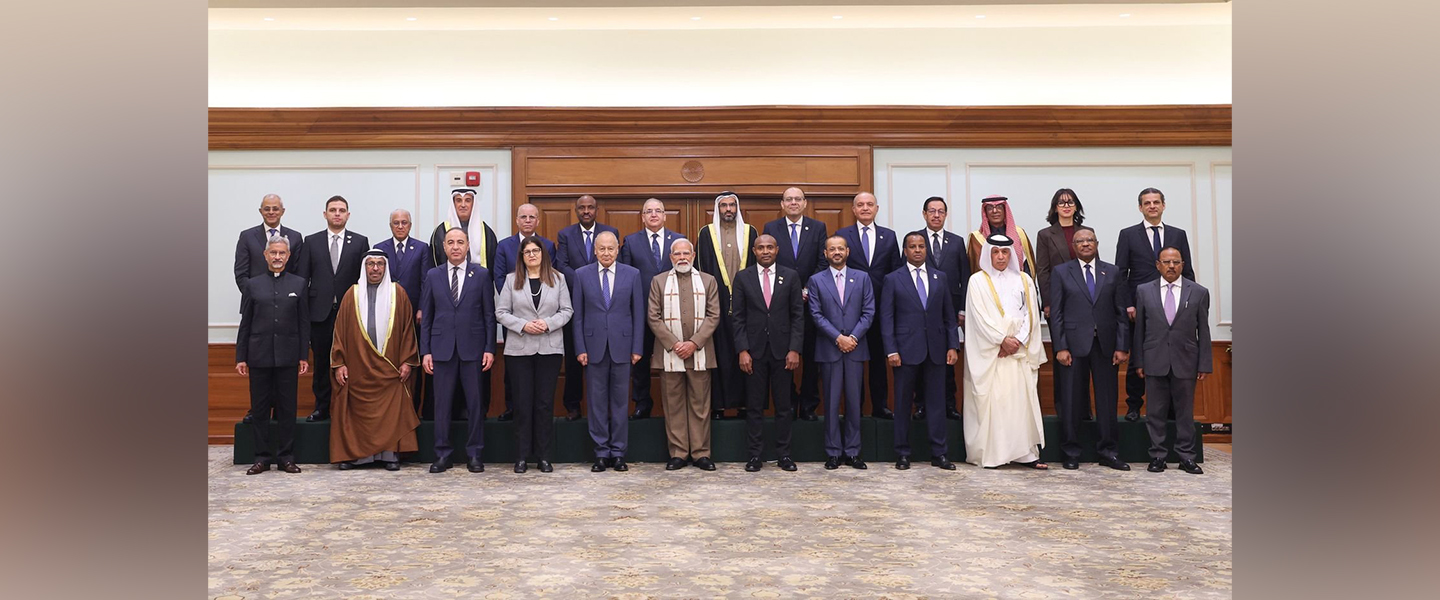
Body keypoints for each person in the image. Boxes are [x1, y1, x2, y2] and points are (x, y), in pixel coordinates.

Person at [329, 250, 421, 471]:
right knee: (357, 411)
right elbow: (339, 332)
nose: (375, 268)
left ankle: (389, 455)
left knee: (391, 409)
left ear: (386, 267)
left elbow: (408, 329)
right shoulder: (351, 294)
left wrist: (408, 361)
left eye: (380, 264)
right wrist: (339, 363)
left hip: (390, 368)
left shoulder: (397, 293)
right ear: (364, 267)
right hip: (358, 367)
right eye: (371, 264)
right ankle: (359, 457)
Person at [962, 234, 1047, 470]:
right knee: (996, 403)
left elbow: (1031, 313)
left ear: (1012, 254)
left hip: (1017, 353)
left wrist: (1017, 341)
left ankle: (1025, 454)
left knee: (1020, 402)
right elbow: (979, 317)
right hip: (993, 354)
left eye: (1005, 252)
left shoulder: (1024, 280)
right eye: (996, 252)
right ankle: (994, 454)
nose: (1001, 257)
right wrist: (1001, 340)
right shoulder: (977, 281)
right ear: (988, 254)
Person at [1048, 229, 1131, 471]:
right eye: (1080, 241)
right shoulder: (1061, 272)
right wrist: (1060, 347)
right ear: (1073, 246)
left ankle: (1108, 451)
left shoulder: (1112, 271)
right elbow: (1057, 315)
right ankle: (1071, 452)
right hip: (1072, 347)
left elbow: (1121, 313)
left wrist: (1122, 345)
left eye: (1089, 240)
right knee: (1071, 400)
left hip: (1105, 346)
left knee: (1107, 401)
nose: (1085, 244)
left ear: (1097, 243)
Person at [1115, 187, 1196, 422]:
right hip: (1139, 307)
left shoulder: (1178, 234)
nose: (1152, 206)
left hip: (1172, 306)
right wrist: (1127, 305)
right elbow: (1121, 273)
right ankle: (1133, 406)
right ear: (1140, 207)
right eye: (1147, 203)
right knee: (1138, 358)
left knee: (1170, 357)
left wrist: (1187, 304)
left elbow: (1187, 270)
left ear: (1163, 205)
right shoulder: (1128, 234)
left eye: (1156, 202)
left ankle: (1170, 409)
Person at [419, 228, 496, 474]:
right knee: (442, 405)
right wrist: (426, 351)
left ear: (467, 246)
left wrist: (489, 348)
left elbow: (488, 316)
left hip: (473, 350)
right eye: (450, 242)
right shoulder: (433, 275)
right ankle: (442, 454)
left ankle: (475, 454)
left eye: (460, 242)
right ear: (444, 247)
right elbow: (427, 317)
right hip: (441, 351)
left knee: (475, 404)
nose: (455, 247)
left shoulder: (482, 274)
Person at [881, 232, 960, 470]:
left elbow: (949, 316)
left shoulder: (940, 277)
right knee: (903, 404)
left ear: (926, 249)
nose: (917, 250)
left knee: (936, 403)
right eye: (912, 247)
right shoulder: (893, 279)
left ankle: (940, 453)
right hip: (904, 351)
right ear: (905, 251)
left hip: (936, 350)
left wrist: (952, 345)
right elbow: (886, 318)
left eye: (921, 246)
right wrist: (891, 350)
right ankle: (902, 453)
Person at [496, 236, 574, 474]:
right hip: (519, 350)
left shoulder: (558, 279)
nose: (531, 254)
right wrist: (523, 325)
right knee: (522, 404)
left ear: (543, 253)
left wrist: (548, 323)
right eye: (527, 251)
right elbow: (501, 312)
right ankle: (521, 457)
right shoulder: (511, 280)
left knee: (543, 404)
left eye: (535, 250)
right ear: (521, 256)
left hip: (549, 348)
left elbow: (567, 310)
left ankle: (543, 457)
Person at [1132, 247, 1211, 475]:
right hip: (1154, 359)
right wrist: (1139, 361)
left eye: (1176, 262)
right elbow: (1140, 331)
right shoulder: (1144, 291)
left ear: (1182, 265)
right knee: (1155, 412)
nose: (1171, 266)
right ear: (1158, 265)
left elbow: (1203, 330)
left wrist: (1204, 363)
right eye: (1166, 262)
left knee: (1185, 413)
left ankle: (1187, 457)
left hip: (1186, 360)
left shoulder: (1198, 292)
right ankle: (1158, 456)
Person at [730, 234, 804, 472]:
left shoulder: (791, 276)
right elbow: (738, 318)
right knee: (753, 406)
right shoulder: (743, 277)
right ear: (754, 250)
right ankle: (754, 456)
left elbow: (797, 317)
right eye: (760, 247)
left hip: (784, 352)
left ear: (777, 249)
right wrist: (742, 350)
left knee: (783, 406)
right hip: (754, 352)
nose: (765, 251)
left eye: (769, 247)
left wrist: (794, 349)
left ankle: (784, 455)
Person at [235, 237, 309, 475]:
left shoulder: (299, 284)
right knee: (259, 408)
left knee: (288, 409)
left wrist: (303, 356)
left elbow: (303, 323)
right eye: (273, 253)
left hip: (288, 356)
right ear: (265, 255)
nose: (277, 257)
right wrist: (241, 357)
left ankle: (286, 457)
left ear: (288, 257)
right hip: (259, 355)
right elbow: (245, 323)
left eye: (282, 253)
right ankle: (261, 457)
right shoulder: (252, 285)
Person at [571, 231, 643, 472]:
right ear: (594, 250)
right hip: (593, 349)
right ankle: (601, 453)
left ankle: (619, 452)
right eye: (601, 248)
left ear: (618, 249)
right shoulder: (581, 275)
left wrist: (637, 347)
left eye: (610, 248)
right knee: (597, 403)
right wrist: (580, 348)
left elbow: (638, 314)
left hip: (623, 348)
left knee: (621, 403)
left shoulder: (632, 275)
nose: (606, 253)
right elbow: (578, 316)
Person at [646, 240, 721, 471]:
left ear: (693, 255)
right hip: (670, 354)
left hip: (700, 353)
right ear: (670, 257)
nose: (682, 257)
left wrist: (694, 343)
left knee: (700, 406)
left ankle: (700, 453)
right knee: (673, 405)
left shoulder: (708, 280)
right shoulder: (658, 281)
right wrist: (675, 344)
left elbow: (714, 315)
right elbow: (653, 317)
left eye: (686, 253)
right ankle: (678, 453)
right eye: (677, 254)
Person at [427, 187, 499, 419]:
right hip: (445, 326)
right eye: (458, 200)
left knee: (475, 394)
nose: (463, 204)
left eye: (468, 200)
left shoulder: (486, 233)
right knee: (444, 397)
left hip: (474, 319)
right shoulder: (439, 232)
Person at [232, 193, 304, 424]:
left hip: (287, 315)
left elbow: (299, 275)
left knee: (285, 395)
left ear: (283, 211)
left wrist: (281, 296)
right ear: (261, 211)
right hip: (258, 312)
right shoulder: (247, 236)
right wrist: (259, 294)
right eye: (267, 208)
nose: (271, 212)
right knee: (260, 392)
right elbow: (241, 273)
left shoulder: (295, 237)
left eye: (276, 208)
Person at [297, 195, 369, 422]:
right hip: (319, 314)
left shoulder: (360, 242)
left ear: (348, 215)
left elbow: (364, 281)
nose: (337, 213)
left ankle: (350, 408)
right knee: (321, 363)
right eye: (333, 210)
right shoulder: (311, 241)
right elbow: (302, 280)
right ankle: (322, 407)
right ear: (325, 214)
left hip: (350, 314)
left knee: (353, 361)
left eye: (341, 210)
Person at [807, 235, 875, 470]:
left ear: (847, 252)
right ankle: (833, 452)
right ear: (825, 254)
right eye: (831, 249)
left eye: (840, 249)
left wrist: (853, 337)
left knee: (855, 403)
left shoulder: (863, 278)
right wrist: (838, 338)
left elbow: (869, 312)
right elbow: (816, 314)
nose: (836, 252)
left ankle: (854, 452)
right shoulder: (816, 280)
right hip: (830, 349)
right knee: (832, 403)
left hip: (856, 349)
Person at [761, 187, 828, 420]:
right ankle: (788, 402)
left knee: (810, 356)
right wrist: (789, 290)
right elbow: (767, 261)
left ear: (805, 203)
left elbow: (823, 261)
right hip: (780, 302)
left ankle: (809, 405)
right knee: (782, 355)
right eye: (788, 199)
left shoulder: (818, 227)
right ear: (782, 204)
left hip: (811, 301)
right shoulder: (772, 228)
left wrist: (807, 289)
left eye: (797, 199)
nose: (793, 203)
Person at [835, 192, 901, 419]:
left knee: (878, 361)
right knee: (853, 362)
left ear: (877, 208)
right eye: (860, 205)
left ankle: (880, 406)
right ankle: (856, 408)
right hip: (851, 309)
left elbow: (895, 273)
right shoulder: (842, 235)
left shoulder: (889, 236)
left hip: (882, 309)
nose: (865, 208)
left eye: (869, 204)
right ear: (853, 209)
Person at [619, 198, 686, 420]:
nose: (654, 215)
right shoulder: (630, 241)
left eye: (658, 211)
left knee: (674, 358)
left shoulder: (679, 241)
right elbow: (625, 278)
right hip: (642, 312)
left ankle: (676, 406)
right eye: (649, 211)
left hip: (673, 312)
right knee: (640, 359)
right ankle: (642, 403)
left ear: (665, 215)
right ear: (643, 217)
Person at [694, 191, 758, 420]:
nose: (728, 209)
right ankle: (718, 406)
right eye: (724, 206)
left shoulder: (751, 232)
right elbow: (699, 269)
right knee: (719, 353)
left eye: (732, 205)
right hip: (715, 303)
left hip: (748, 305)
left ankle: (744, 405)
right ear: (717, 209)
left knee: (745, 353)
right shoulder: (706, 233)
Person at [554, 195, 619, 421]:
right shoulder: (566, 234)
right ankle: (573, 406)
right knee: (574, 357)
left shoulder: (610, 232)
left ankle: (606, 409)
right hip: (575, 302)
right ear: (576, 210)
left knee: (605, 357)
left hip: (605, 303)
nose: (586, 211)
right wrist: (585, 280)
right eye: (582, 208)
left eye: (590, 207)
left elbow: (613, 261)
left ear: (597, 209)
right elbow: (561, 265)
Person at [492, 203, 557, 422]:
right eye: (523, 217)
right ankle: (513, 407)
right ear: (517, 220)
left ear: (538, 220)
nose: (528, 220)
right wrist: (517, 303)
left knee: (541, 380)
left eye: (532, 217)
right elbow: (499, 278)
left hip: (544, 322)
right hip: (514, 316)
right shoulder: (504, 246)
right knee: (514, 370)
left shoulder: (547, 245)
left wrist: (540, 317)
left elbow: (551, 280)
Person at [1034, 189, 1095, 419]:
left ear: (1076, 206)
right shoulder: (1045, 235)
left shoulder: (1085, 233)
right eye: (1061, 202)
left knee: (1085, 358)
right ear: (1055, 207)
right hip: (1058, 304)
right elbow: (1043, 270)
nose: (1066, 206)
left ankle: (1085, 412)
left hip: (1085, 305)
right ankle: (1065, 412)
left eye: (1070, 202)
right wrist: (1048, 302)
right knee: (1064, 358)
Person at [373, 208, 431, 415]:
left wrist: (423, 308)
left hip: (414, 315)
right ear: (390, 226)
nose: (400, 226)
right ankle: (387, 408)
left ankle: (412, 409)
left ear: (410, 225)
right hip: (385, 315)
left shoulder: (422, 248)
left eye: (404, 222)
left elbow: (426, 281)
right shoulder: (379, 248)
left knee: (412, 362)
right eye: (396, 223)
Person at [914, 196, 968, 421]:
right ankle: (921, 406)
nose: (936, 215)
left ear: (946, 215)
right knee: (919, 359)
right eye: (932, 211)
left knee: (947, 359)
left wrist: (962, 310)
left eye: (941, 211)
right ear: (924, 214)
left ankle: (949, 405)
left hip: (950, 314)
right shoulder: (915, 240)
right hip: (920, 311)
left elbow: (965, 277)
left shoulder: (956, 242)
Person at [966, 195, 1037, 280]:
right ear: (985, 213)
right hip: (987, 287)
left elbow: (1027, 265)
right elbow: (972, 268)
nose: (995, 211)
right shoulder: (976, 238)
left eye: (999, 207)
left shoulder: (1019, 233)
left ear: (1005, 210)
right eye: (990, 208)